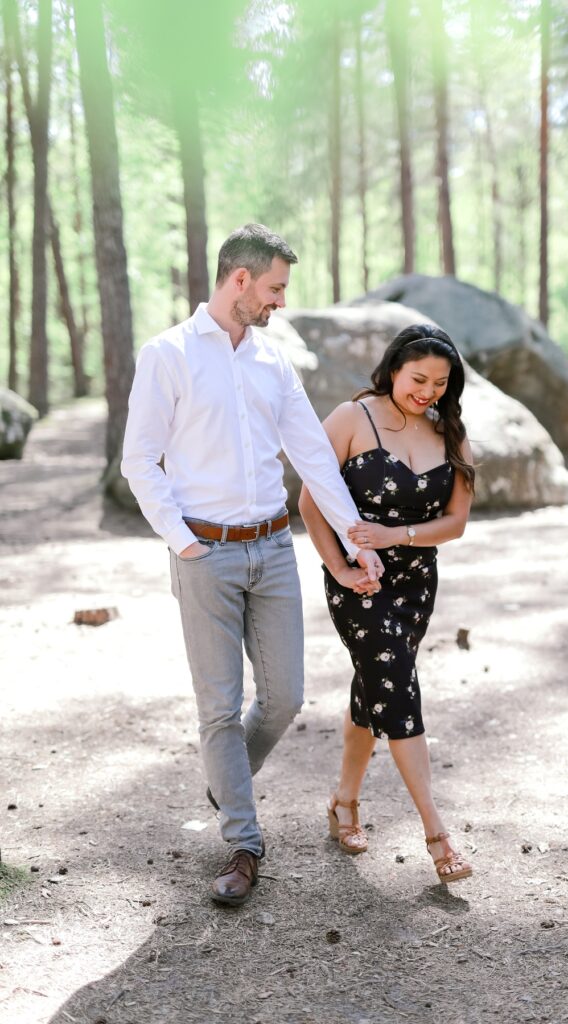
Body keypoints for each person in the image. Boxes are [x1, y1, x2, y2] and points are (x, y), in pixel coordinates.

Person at [121, 224, 383, 907]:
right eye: (273, 288)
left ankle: (225, 777)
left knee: (286, 696)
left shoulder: (272, 362)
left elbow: (313, 458)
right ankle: (243, 843)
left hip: (271, 548)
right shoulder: (168, 355)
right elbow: (138, 461)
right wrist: (183, 542)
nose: (278, 302)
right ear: (239, 280)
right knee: (220, 708)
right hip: (203, 553)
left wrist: (360, 542)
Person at [298, 324, 475, 884]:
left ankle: (343, 803)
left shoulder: (449, 432)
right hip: (359, 584)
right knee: (397, 686)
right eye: (418, 379)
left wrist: (395, 537)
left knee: (376, 686)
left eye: (440, 384)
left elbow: (456, 523)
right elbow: (309, 500)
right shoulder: (353, 418)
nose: (427, 392)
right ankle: (437, 834)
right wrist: (341, 569)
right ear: (394, 368)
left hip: (416, 582)